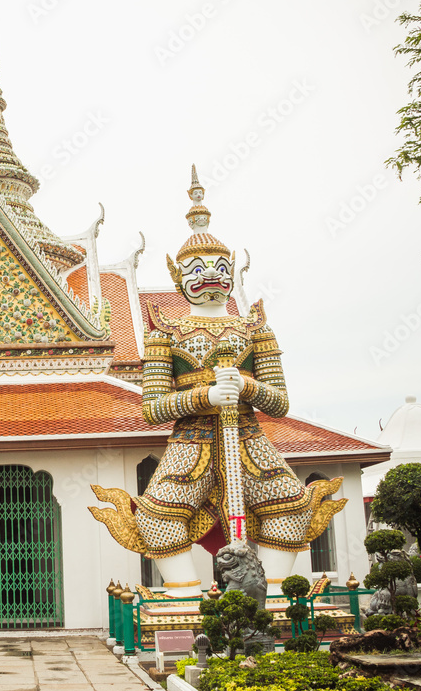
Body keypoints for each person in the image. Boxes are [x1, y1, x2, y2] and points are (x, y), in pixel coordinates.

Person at [91, 167, 345, 597]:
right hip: (190, 443)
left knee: (290, 506)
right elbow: (152, 407)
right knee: (155, 519)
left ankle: (276, 593)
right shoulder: (164, 332)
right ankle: (186, 594)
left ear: (231, 270)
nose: (210, 275)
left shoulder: (254, 329)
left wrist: (247, 389)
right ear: (178, 275)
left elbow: (280, 402)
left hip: (247, 437)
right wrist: (204, 395)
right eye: (198, 268)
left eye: (219, 267)